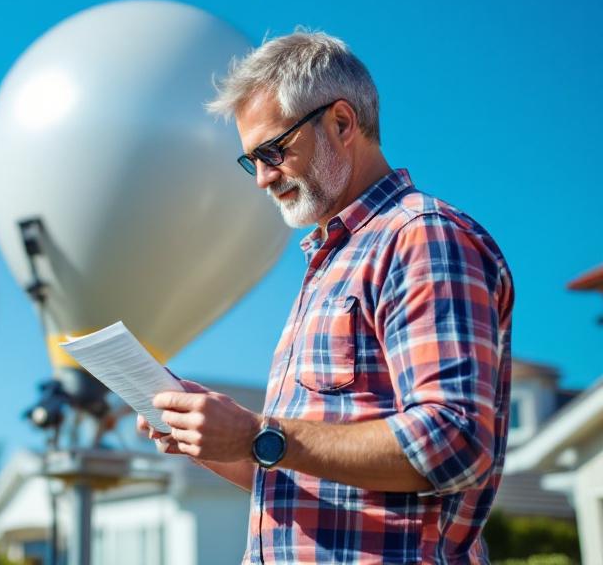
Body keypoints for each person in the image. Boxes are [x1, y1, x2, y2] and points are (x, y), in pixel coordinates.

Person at [136, 31, 514, 564]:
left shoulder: (421, 236)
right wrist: (213, 442)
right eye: (252, 160)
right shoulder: (330, 265)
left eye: (274, 151)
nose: (263, 178)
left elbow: (453, 441)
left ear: (341, 123)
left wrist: (256, 435)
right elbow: (305, 477)